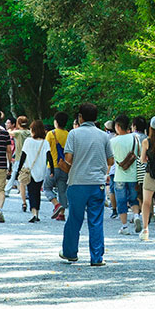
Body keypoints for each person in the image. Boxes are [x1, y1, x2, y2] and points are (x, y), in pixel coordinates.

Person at [60, 103, 113, 266]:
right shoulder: (104, 136)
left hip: (77, 182)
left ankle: (70, 252)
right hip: (97, 183)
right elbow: (111, 160)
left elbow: (68, 160)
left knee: (74, 219)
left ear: (80, 117)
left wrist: (63, 165)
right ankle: (97, 258)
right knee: (96, 221)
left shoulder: (74, 134)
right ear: (96, 118)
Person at [110, 115, 143, 233]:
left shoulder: (113, 141)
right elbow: (140, 154)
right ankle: (136, 216)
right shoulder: (135, 137)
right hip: (133, 175)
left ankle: (124, 227)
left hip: (119, 176)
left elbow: (110, 159)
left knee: (121, 201)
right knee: (134, 199)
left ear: (118, 126)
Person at [19, 121, 51, 222]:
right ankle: (36, 212)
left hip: (30, 170)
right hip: (41, 171)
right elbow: (49, 156)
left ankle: (33, 213)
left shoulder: (28, 141)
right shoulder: (45, 142)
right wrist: (52, 170)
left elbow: (23, 156)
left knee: (31, 192)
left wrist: (19, 169)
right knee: (37, 192)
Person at [47, 112, 71, 221]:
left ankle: (56, 204)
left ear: (56, 122)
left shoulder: (51, 134)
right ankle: (61, 214)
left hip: (52, 166)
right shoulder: (69, 134)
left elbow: (46, 150)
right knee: (62, 190)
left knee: (47, 187)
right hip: (65, 166)